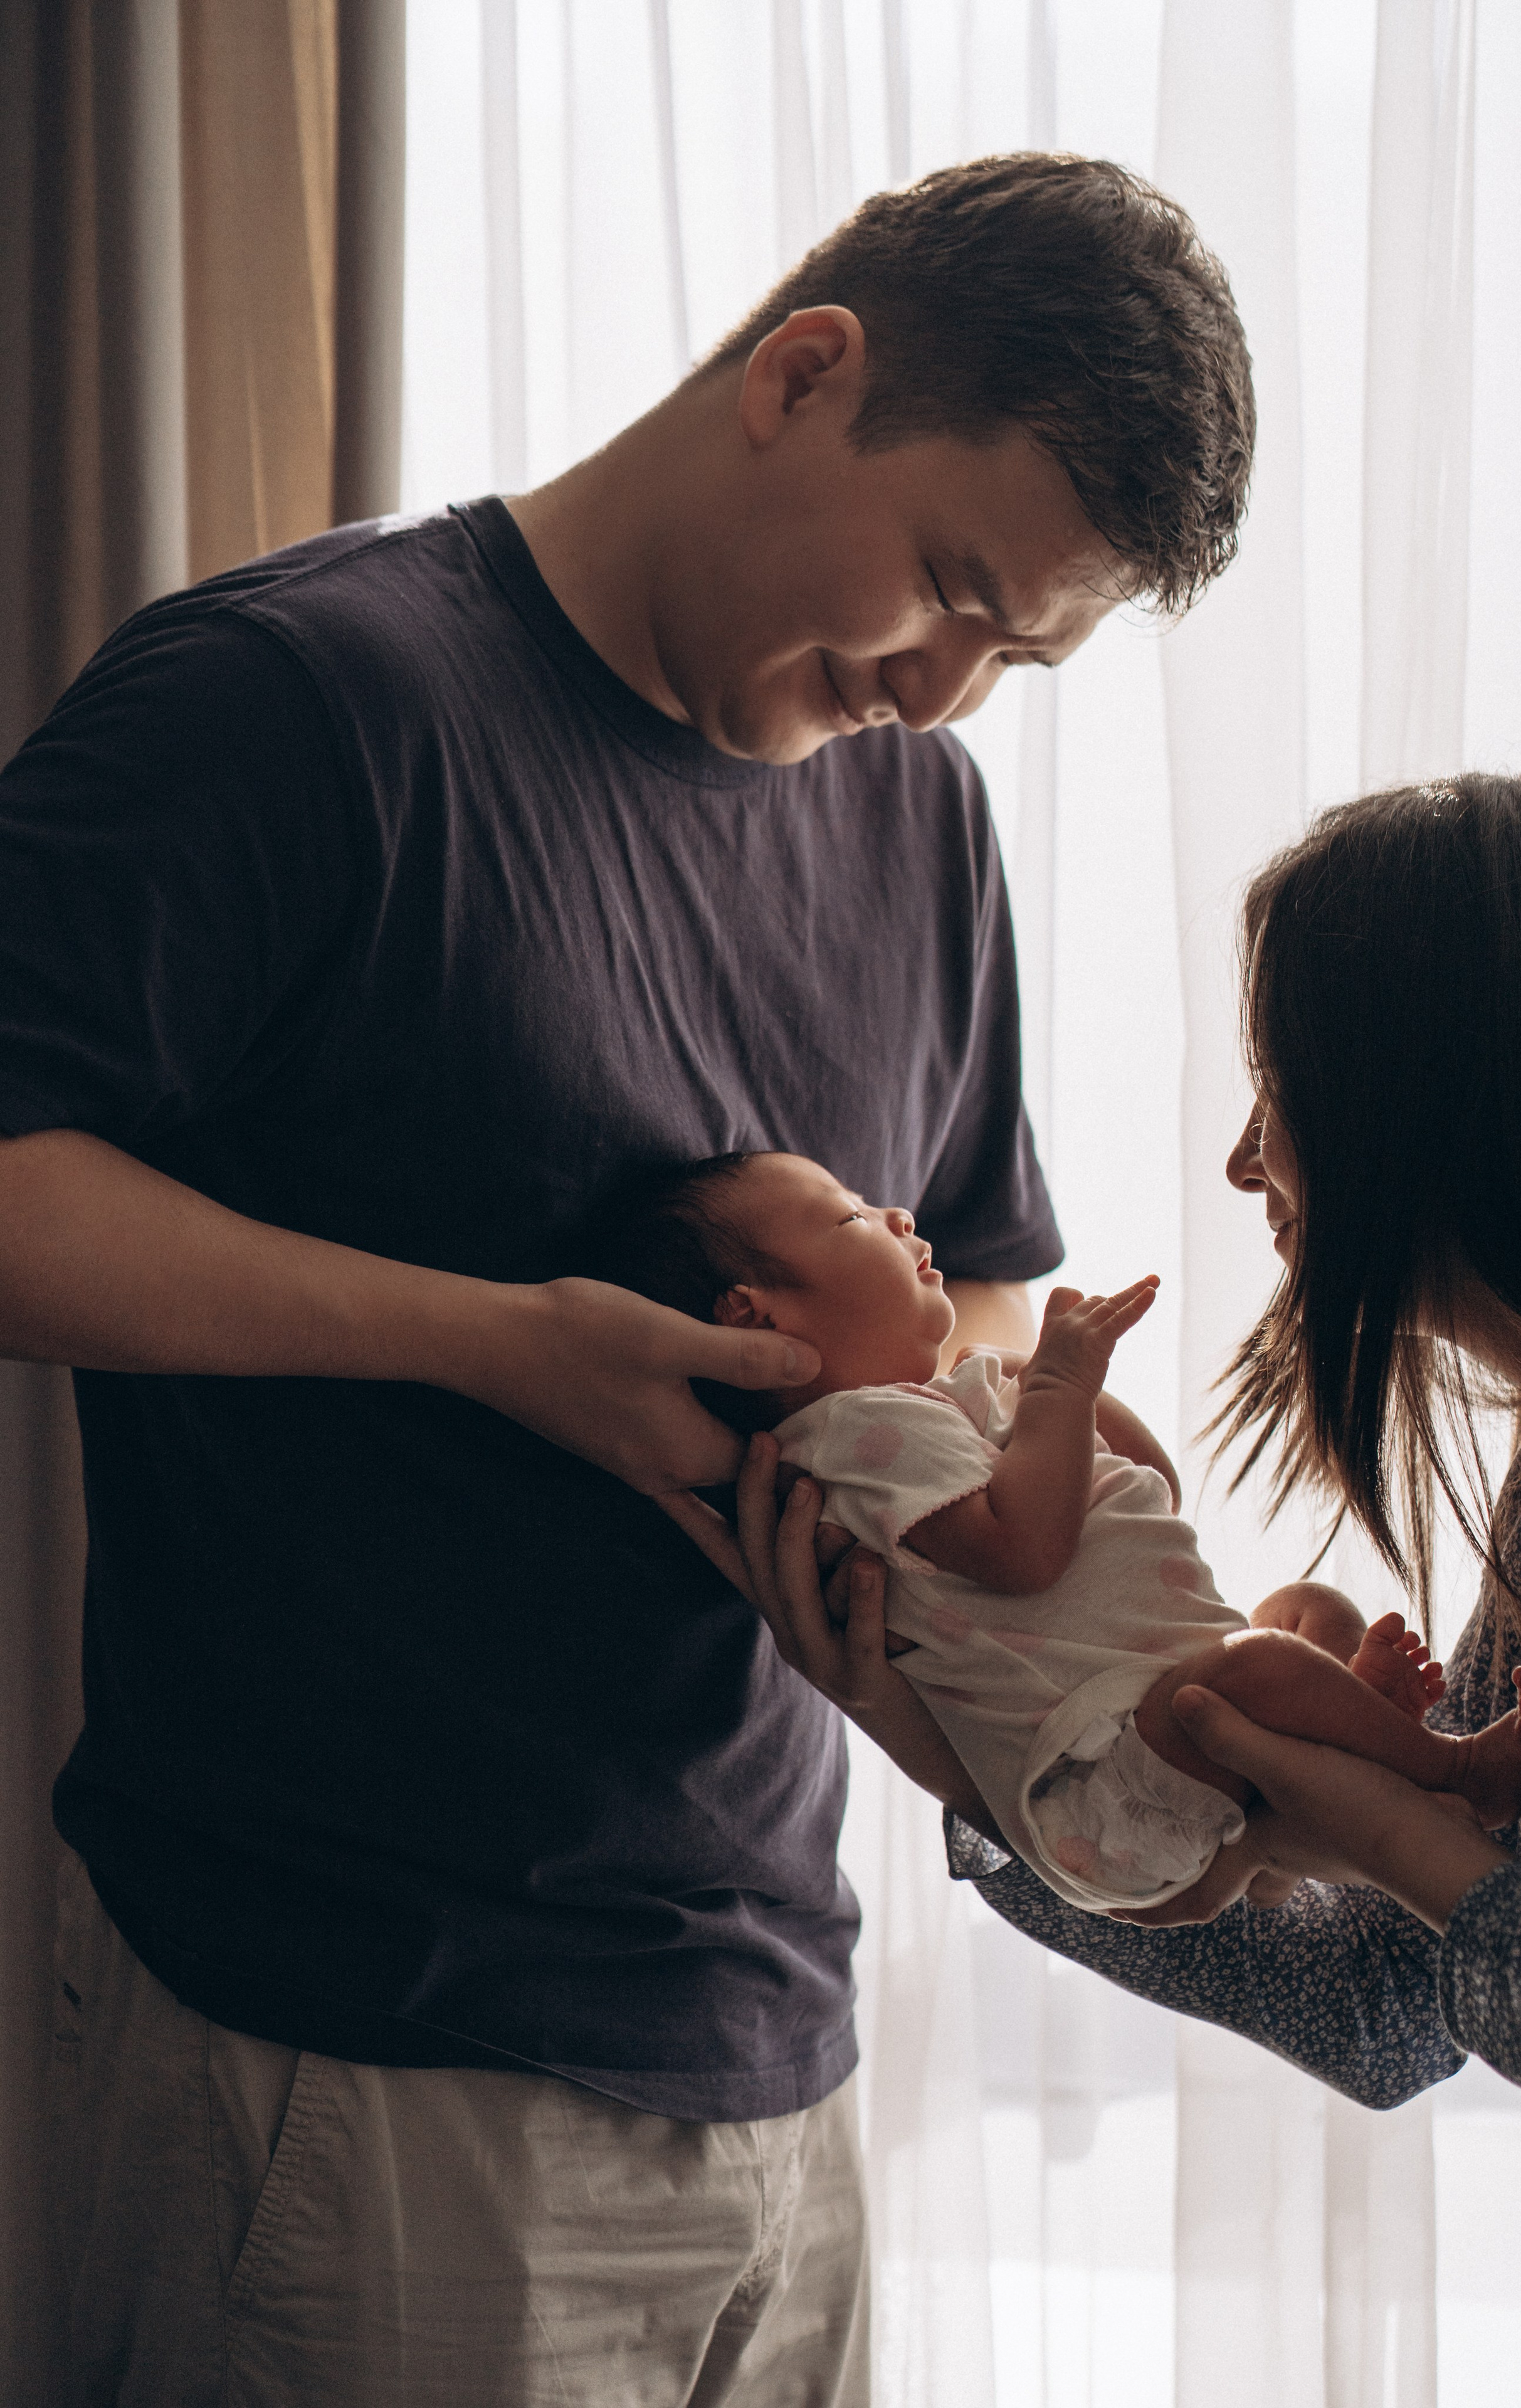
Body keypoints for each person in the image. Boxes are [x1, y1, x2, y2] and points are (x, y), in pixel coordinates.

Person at [3, 156, 1255, 2403]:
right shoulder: (298, 702)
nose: (944, 694)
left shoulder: (916, 825)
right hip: (355, 2048)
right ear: (804, 372)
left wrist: (921, 1453)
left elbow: (969, 1285)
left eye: (1020, 656)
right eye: (951, 590)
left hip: (782, 2037)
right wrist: (504, 1350)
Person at [724, 769, 1521, 2130]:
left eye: (1278, 1093)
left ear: (1434, 1105)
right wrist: (967, 1757)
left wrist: (1378, 1827)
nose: (1243, 1164)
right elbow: (1383, 2001)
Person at [612, 1149, 1521, 1919]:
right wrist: (1059, 1393)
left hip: (1146, 1720)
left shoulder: (945, 1404)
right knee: (1261, 1664)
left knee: (1305, 1612)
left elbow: (1151, 1489)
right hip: (1096, 1779)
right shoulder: (851, 1437)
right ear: (754, 1314)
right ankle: (1453, 1770)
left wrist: (1068, 1392)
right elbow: (1025, 1552)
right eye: (851, 1216)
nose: (897, 1215)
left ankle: (1340, 1759)